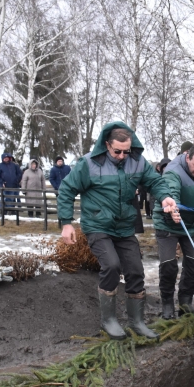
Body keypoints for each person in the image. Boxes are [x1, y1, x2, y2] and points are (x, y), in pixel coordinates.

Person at [58, 122, 179, 340]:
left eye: (126, 151)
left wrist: (166, 197)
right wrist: (66, 222)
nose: (123, 155)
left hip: (124, 226)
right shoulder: (89, 164)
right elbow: (67, 189)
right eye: (117, 151)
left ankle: (137, 321)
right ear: (107, 145)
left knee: (135, 271)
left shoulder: (138, 161)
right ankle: (109, 320)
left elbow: (155, 182)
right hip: (97, 225)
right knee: (112, 265)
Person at [153, 146, 194, 319]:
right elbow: (172, 192)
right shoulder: (173, 171)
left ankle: (186, 302)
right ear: (187, 157)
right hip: (168, 224)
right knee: (169, 265)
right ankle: (167, 303)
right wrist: (173, 210)